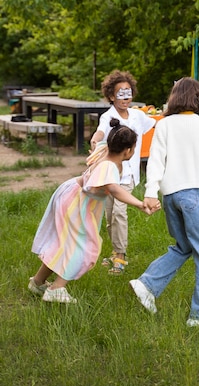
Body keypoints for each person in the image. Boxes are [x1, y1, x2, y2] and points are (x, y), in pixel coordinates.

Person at [129, 77, 199, 327]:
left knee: (184, 246)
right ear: (198, 98)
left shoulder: (165, 125)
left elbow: (156, 161)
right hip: (191, 196)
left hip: (170, 196)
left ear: (174, 97)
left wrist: (150, 192)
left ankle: (147, 285)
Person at [28, 119, 159, 304]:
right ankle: (56, 289)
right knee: (84, 248)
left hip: (72, 195)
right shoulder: (109, 166)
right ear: (128, 150)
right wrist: (139, 204)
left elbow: (98, 144)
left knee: (66, 245)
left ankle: (38, 282)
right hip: (77, 204)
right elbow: (114, 189)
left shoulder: (105, 149)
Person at [90, 70, 156, 274]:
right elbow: (100, 132)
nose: (125, 97)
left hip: (129, 175)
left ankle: (121, 255)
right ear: (111, 95)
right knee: (110, 216)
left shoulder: (138, 115)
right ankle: (115, 250)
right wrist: (95, 139)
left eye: (128, 93)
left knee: (119, 212)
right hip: (111, 174)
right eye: (120, 93)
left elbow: (156, 124)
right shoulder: (107, 117)